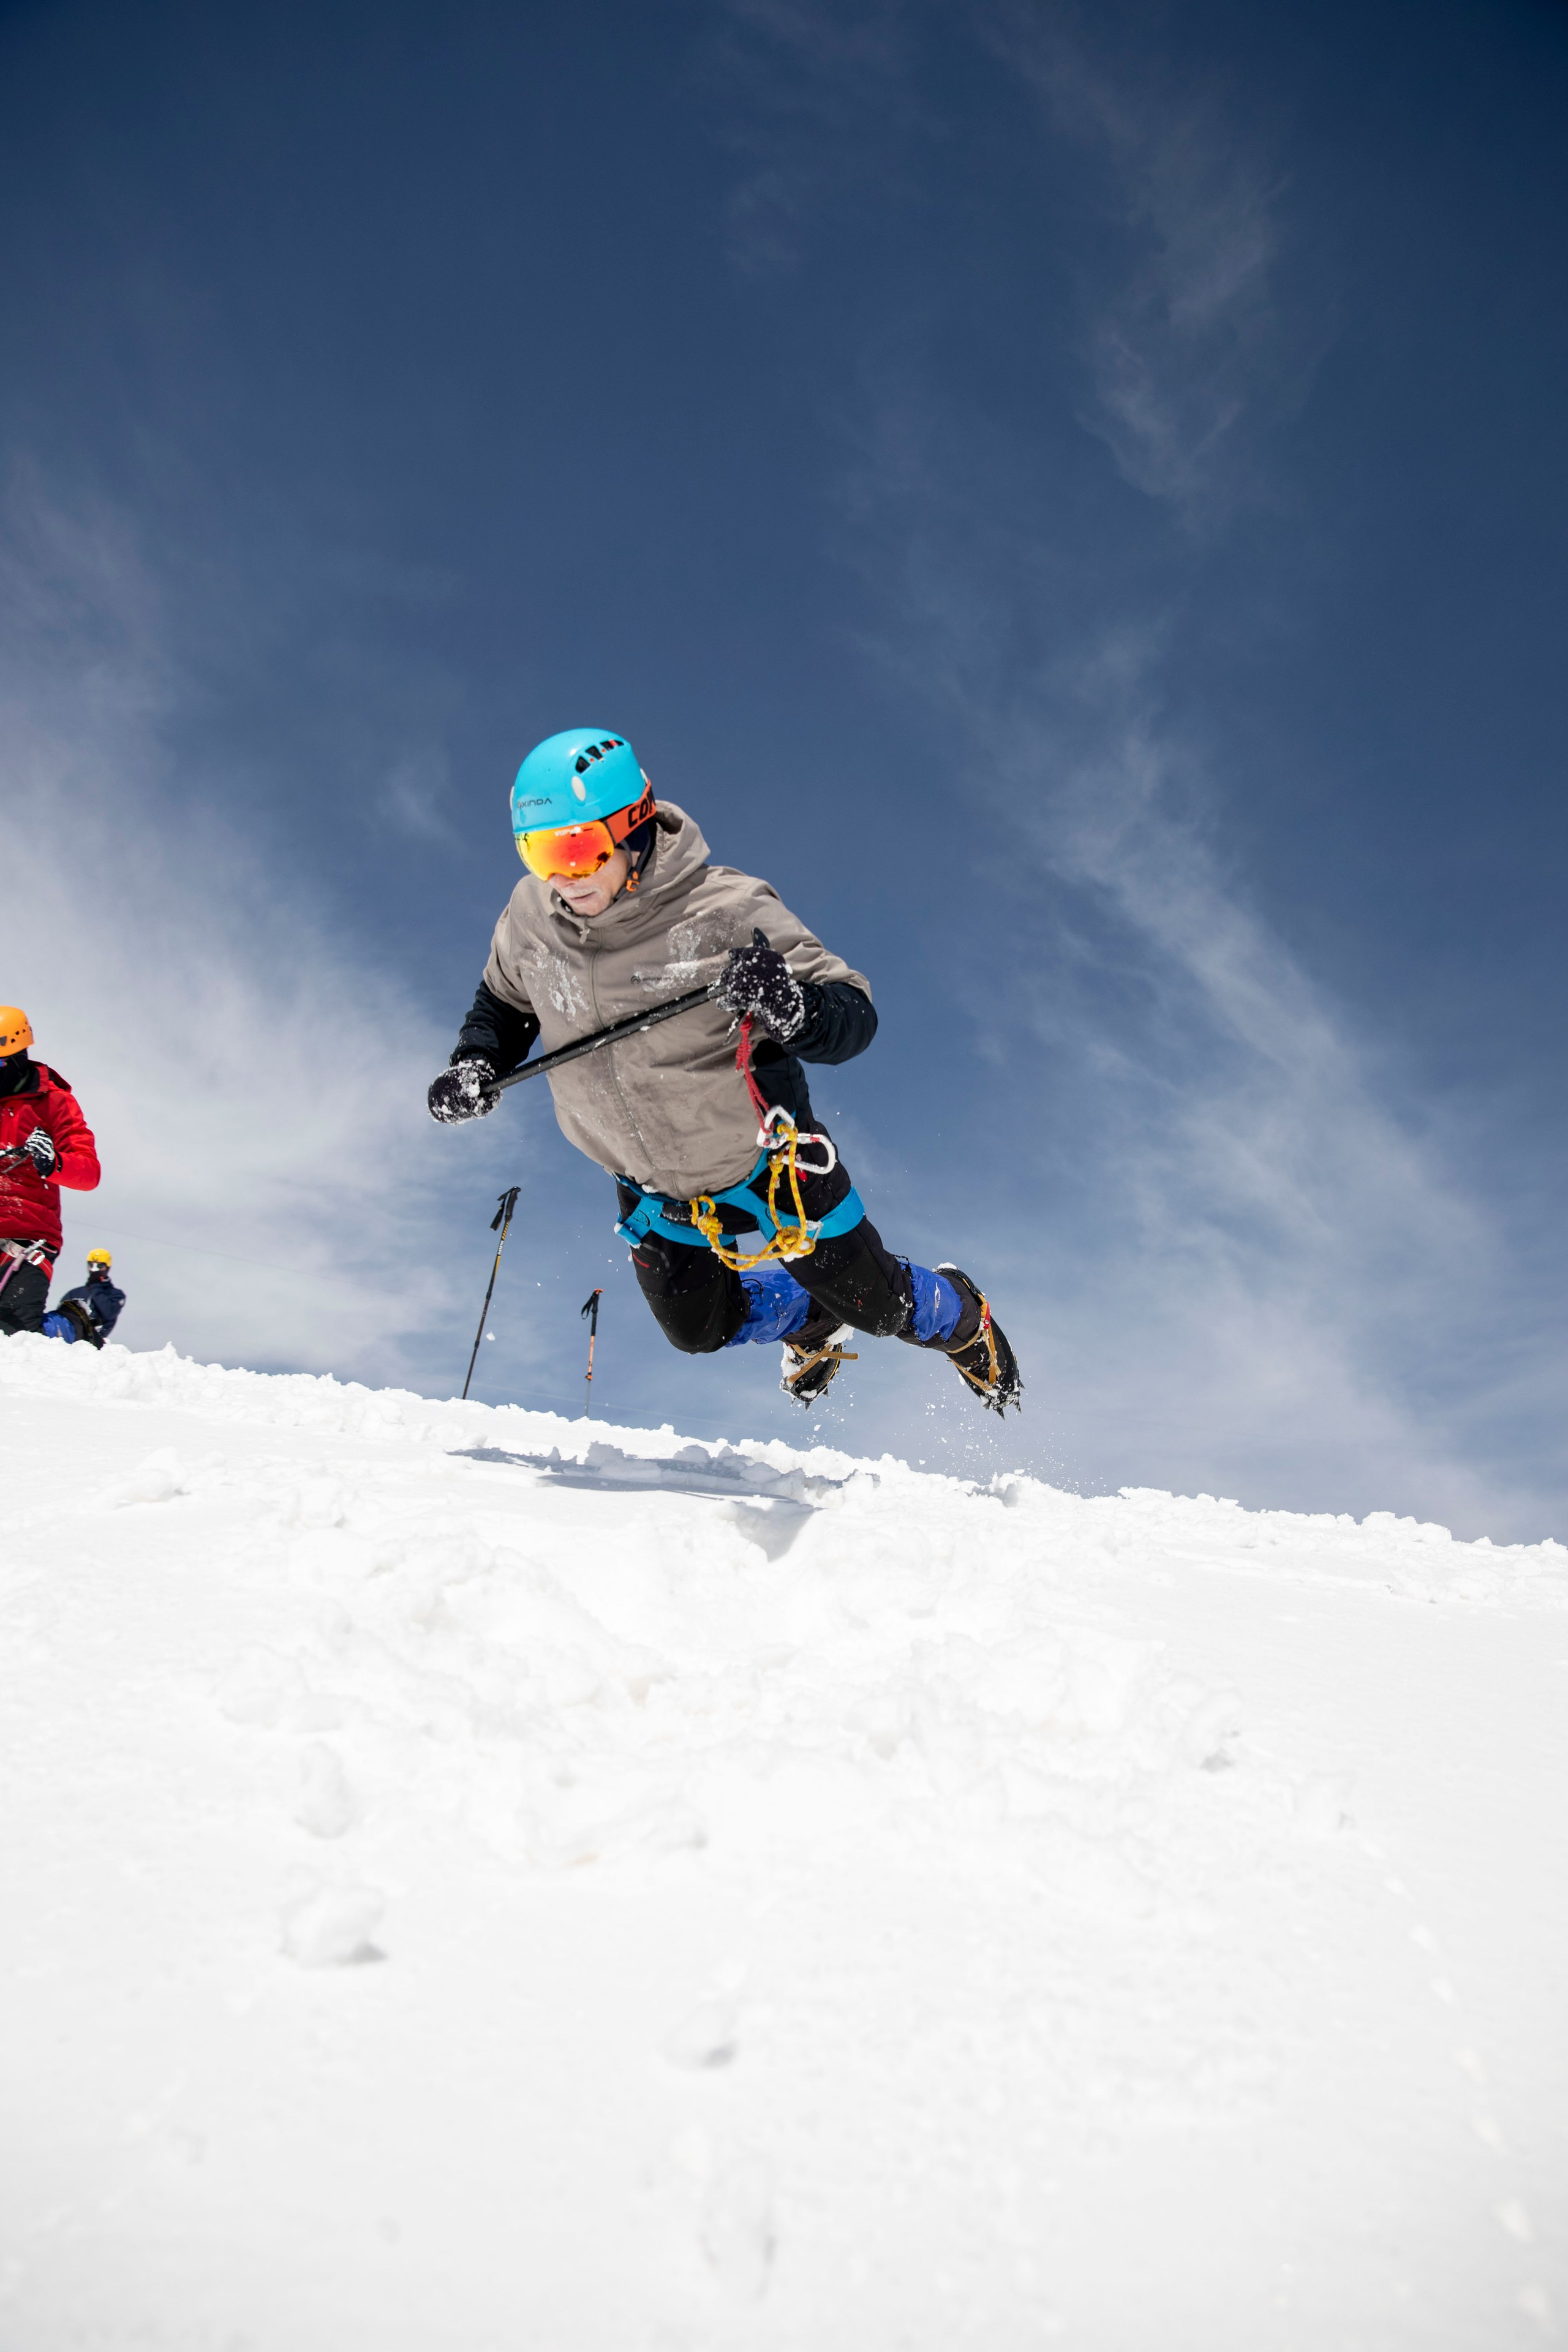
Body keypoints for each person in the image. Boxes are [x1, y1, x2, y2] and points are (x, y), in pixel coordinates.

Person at [426, 729, 1021, 1414]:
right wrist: (476, 1062)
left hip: (771, 1164)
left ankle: (960, 1314)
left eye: (576, 849)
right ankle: (810, 1318)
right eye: (538, 853)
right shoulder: (532, 916)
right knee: (700, 1331)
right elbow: (504, 1002)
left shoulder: (727, 910)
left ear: (632, 826)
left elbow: (853, 1013)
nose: (561, 877)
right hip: (652, 1182)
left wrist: (790, 1004)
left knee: (878, 1309)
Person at [0, 1007, 102, 1338]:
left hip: (28, 1234)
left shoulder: (54, 1102)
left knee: (13, 1335)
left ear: (19, 1057)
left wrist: (53, 1162)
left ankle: (75, 1323)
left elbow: (89, 1173)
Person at [42, 1248, 126, 1348]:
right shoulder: (75, 1293)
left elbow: (109, 1313)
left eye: (100, 1266)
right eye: (91, 1265)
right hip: (72, 1340)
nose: (95, 1270)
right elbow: (61, 1316)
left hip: (97, 1344)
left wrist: (96, 1286)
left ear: (108, 1268)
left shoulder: (115, 1295)